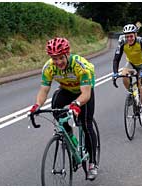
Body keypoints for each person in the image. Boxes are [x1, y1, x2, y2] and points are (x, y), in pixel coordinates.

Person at [29, 37, 98, 180]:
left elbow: (85, 94)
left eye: (61, 58)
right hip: (66, 89)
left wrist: (77, 105)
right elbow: (43, 91)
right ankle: (69, 136)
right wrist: (37, 106)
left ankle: (92, 163)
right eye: (54, 58)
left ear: (67, 54)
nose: (58, 62)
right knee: (55, 105)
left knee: (86, 124)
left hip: (84, 91)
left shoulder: (81, 66)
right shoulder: (48, 67)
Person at [112, 24, 142, 125]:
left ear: (135, 35)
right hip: (131, 63)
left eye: (131, 36)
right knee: (124, 74)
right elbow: (116, 59)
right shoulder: (122, 42)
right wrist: (115, 73)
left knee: (141, 86)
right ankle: (132, 94)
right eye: (127, 36)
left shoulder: (141, 41)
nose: (129, 38)